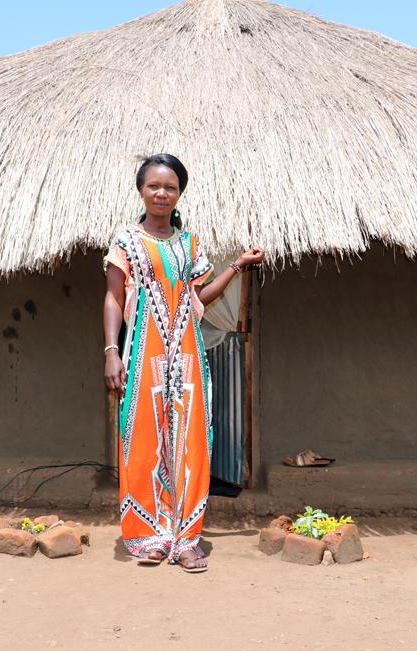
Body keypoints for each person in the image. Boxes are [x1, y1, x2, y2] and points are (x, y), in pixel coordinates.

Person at [103, 154, 264, 573]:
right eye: (154, 186)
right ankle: (149, 537)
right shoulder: (126, 242)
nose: (162, 193)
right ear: (141, 190)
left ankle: (187, 538)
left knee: (190, 443)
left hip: (188, 359)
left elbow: (198, 302)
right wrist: (111, 351)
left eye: (170, 187)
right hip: (143, 355)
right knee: (142, 441)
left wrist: (236, 267)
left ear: (179, 193)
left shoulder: (189, 243)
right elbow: (113, 298)